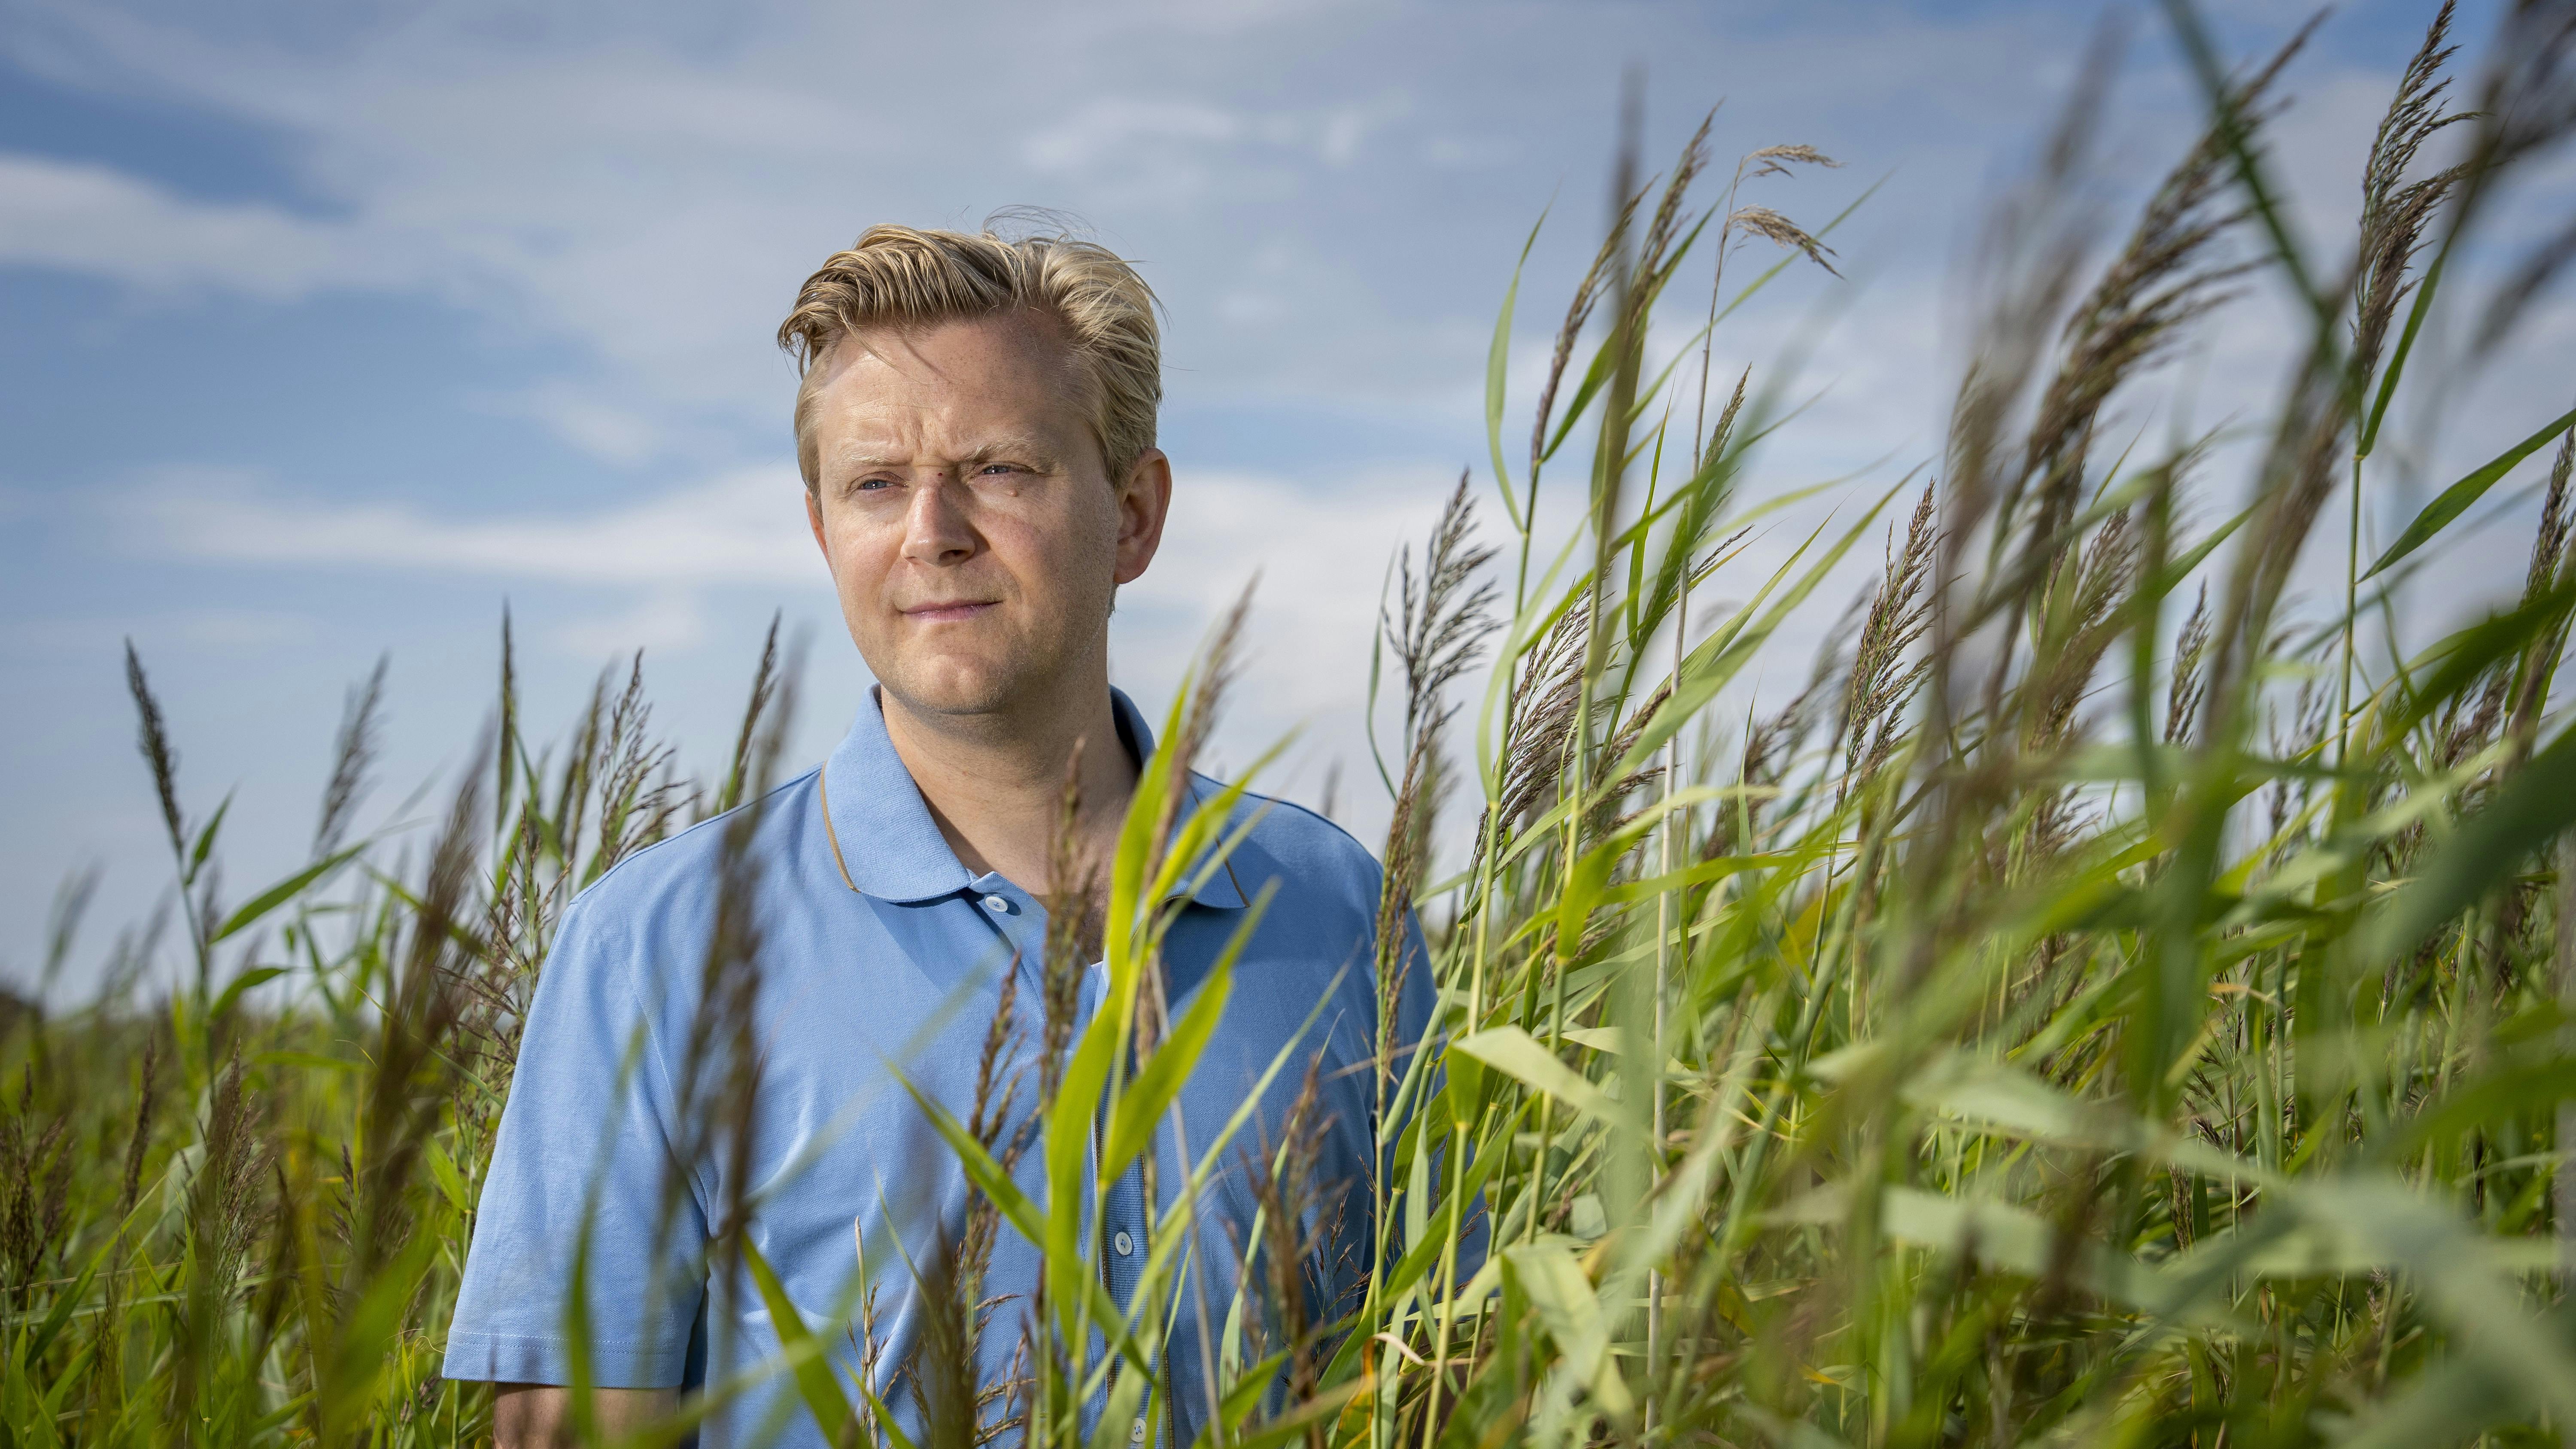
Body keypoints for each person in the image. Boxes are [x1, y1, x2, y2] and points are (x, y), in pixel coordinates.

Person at [441, 223, 1452, 1449]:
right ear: (824, 532)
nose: (932, 531)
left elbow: (1438, 1376)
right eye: (874, 484)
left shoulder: (1333, 907)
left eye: (1001, 470)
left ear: (1133, 515)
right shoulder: (655, 949)